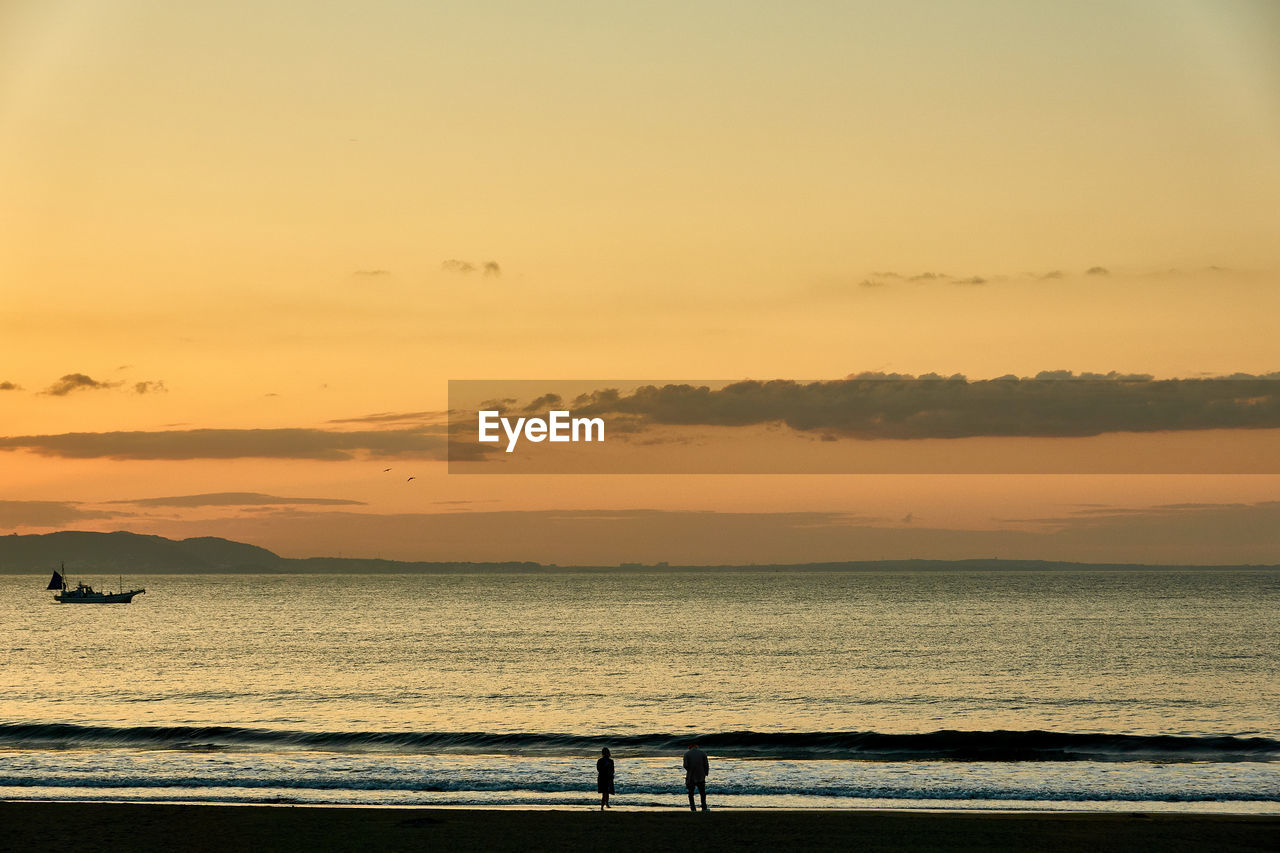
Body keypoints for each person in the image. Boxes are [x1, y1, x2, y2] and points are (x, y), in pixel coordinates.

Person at [682, 742, 709, 812]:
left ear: (690, 746)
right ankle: (704, 807)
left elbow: (685, 766)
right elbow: (706, 765)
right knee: (702, 793)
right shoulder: (703, 753)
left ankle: (693, 808)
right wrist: (705, 773)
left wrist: (690, 770)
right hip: (701, 775)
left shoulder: (686, 754)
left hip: (691, 776)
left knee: (691, 793)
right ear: (696, 746)